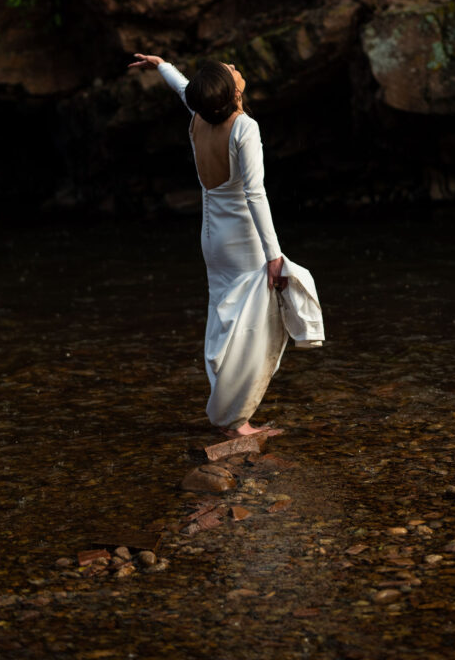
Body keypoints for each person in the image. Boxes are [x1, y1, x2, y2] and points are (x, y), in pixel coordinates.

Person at [128, 53, 325, 438]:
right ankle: (237, 420)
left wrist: (162, 66)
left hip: (211, 240)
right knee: (254, 330)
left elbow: (187, 91)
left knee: (223, 322)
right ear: (235, 91)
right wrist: (274, 255)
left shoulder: (200, 116)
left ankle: (230, 408)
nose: (235, 66)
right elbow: (255, 194)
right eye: (231, 70)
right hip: (244, 242)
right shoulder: (243, 128)